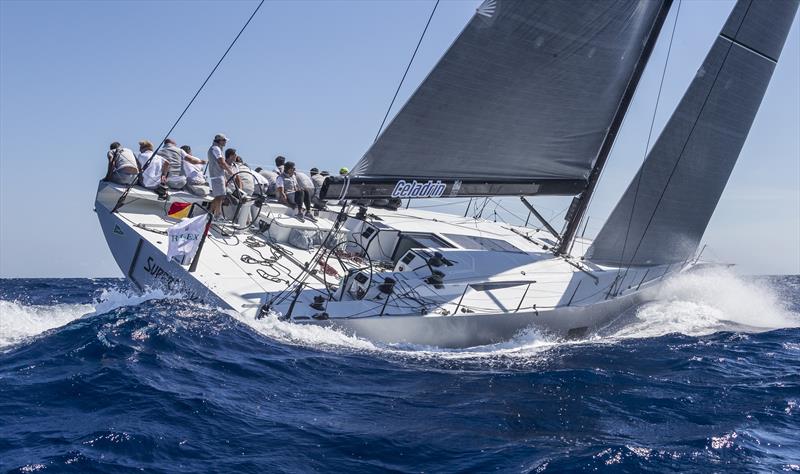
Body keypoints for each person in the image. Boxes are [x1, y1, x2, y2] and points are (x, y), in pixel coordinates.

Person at [208, 134, 234, 217]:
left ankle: (209, 213)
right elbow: (221, 162)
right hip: (217, 175)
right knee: (220, 196)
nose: (225, 142)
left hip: (218, 175)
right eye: (224, 140)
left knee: (219, 196)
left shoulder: (216, 148)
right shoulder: (216, 148)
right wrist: (230, 172)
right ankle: (217, 215)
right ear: (220, 141)